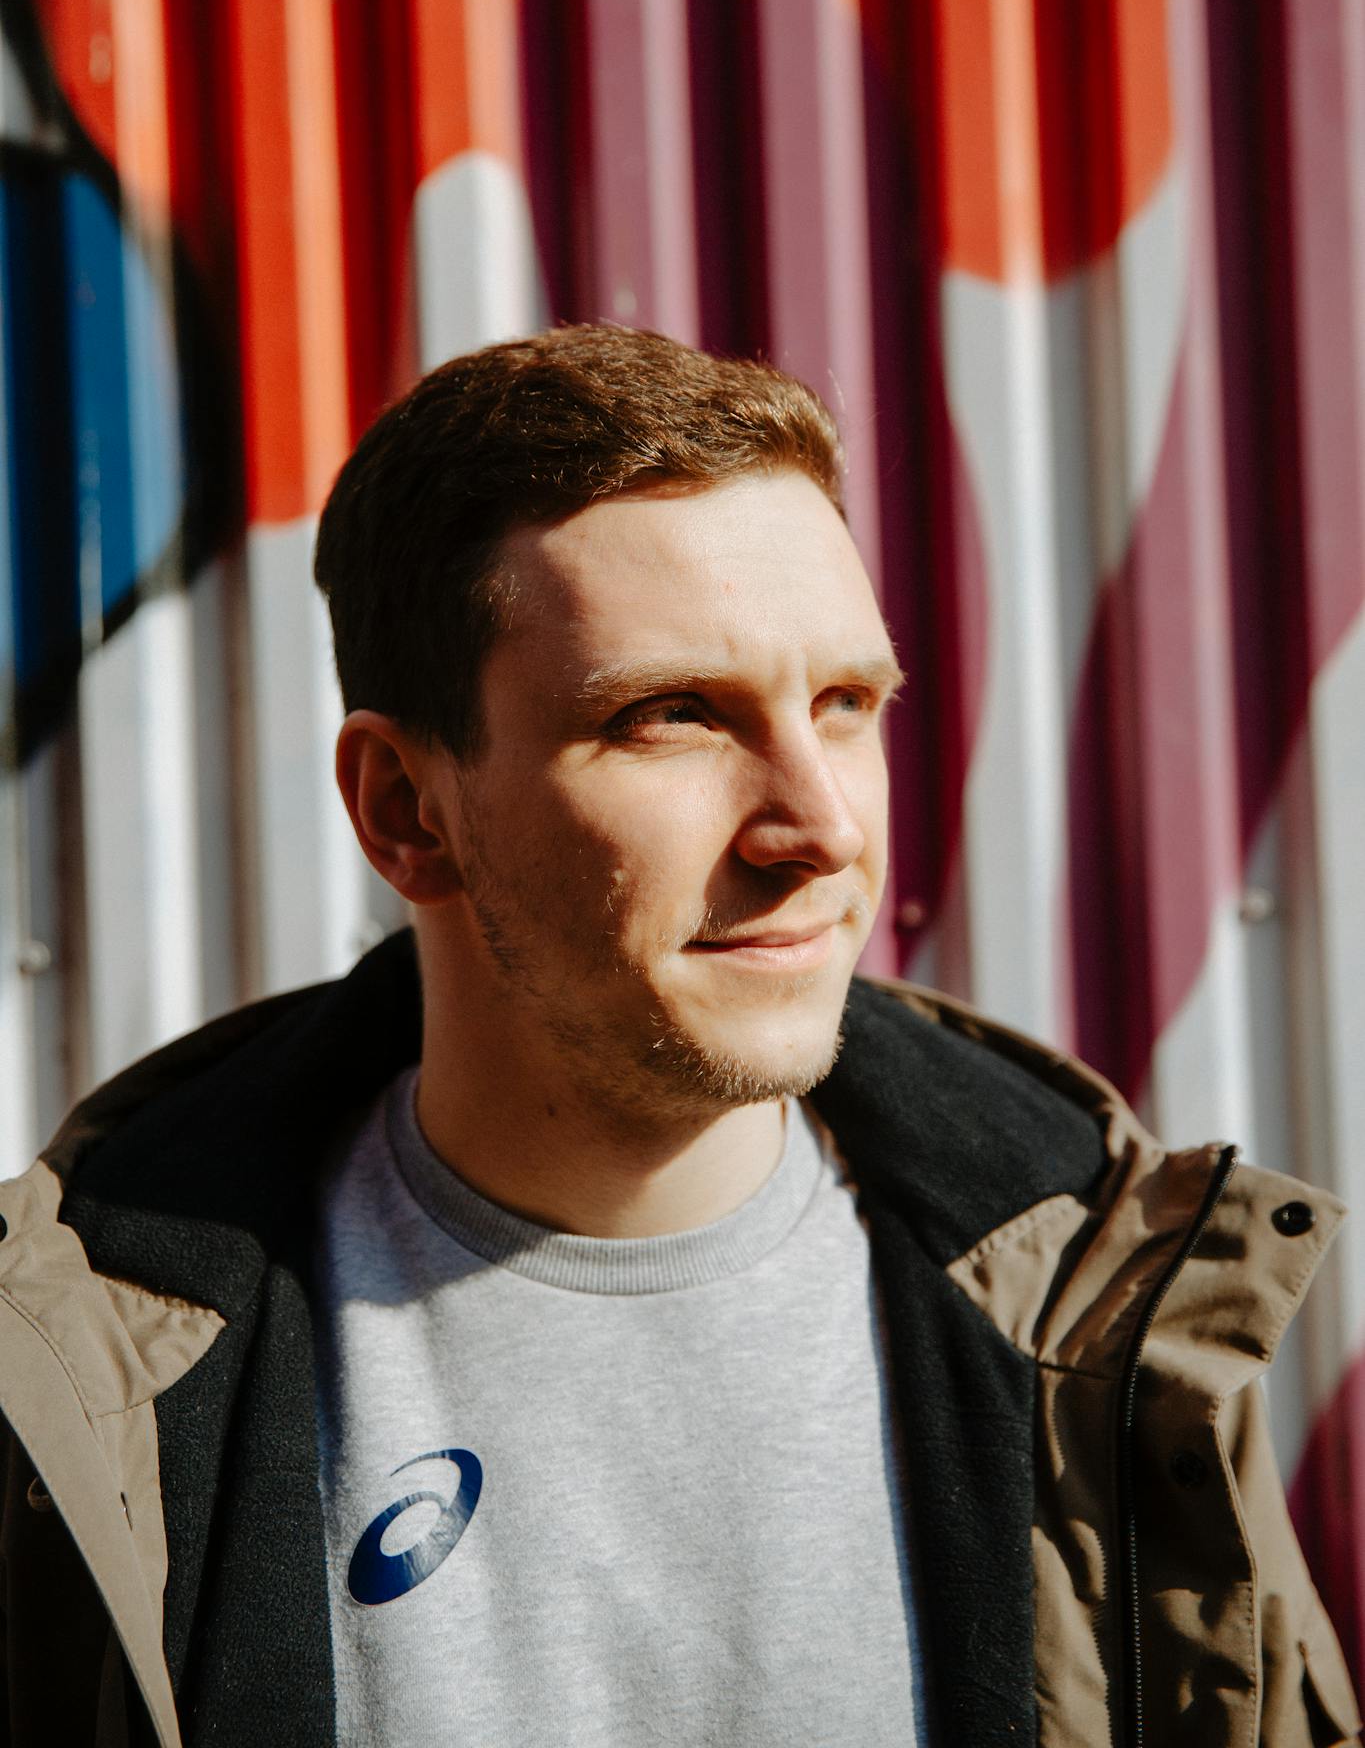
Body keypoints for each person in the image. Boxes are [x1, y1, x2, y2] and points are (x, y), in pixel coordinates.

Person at [0, 324, 1358, 1748]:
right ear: (407, 811)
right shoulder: (86, 1390)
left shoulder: (1104, 1324)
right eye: (671, 716)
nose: (821, 827)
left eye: (845, 704)